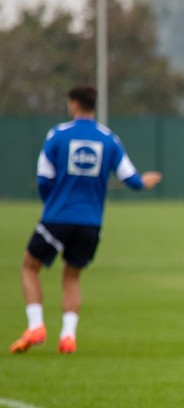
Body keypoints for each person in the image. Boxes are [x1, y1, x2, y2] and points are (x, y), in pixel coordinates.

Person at [9, 86, 162, 355]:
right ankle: (68, 336)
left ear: (73, 104)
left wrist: (53, 203)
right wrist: (144, 182)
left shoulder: (58, 135)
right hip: (91, 222)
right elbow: (131, 178)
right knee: (72, 275)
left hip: (57, 216)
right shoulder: (108, 139)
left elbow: (44, 178)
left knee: (30, 267)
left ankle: (36, 326)